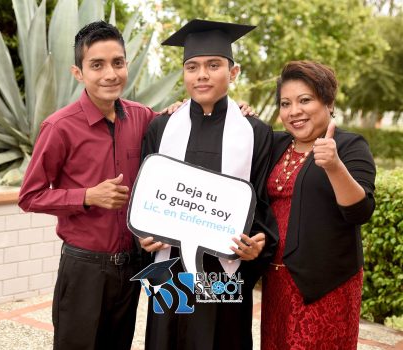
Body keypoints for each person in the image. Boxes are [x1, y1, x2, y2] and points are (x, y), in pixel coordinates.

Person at [18, 21, 159, 350]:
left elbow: (180, 127)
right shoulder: (59, 127)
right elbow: (29, 196)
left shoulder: (143, 117)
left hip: (130, 268)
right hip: (83, 270)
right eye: (97, 65)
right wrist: (87, 196)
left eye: (118, 63)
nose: (110, 74)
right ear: (78, 72)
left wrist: (236, 109)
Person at [139, 19, 278, 350]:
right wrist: (142, 235)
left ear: (233, 72)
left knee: (219, 340)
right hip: (169, 267)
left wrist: (258, 244)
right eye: (192, 66)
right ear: (184, 73)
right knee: (167, 339)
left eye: (213, 65)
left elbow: (262, 202)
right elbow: (144, 194)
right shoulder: (161, 127)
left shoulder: (255, 132)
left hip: (224, 269)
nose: (201, 74)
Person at [260, 60, 376, 349]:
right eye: (285, 104)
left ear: (328, 101)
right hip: (276, 282)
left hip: (325, 284)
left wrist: (334, 166)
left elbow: (361, 211)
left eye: (305, 100)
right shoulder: (276, 145)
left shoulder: (350, 146)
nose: (294, 111)